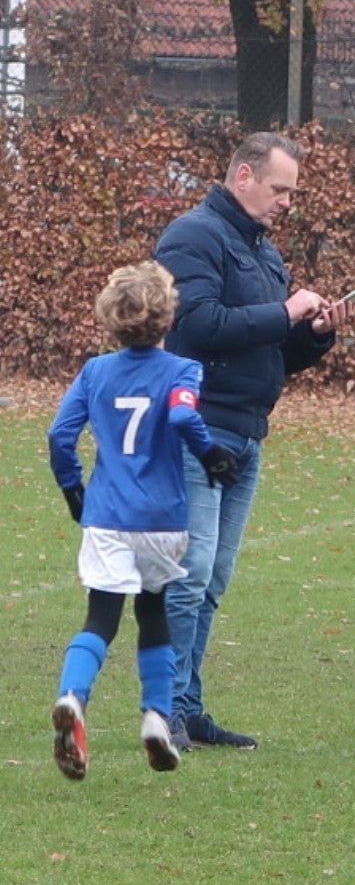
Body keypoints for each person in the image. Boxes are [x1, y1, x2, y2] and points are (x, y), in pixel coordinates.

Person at [156, 132, 347, 752]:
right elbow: (199, 325)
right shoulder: (192, 236)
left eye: (292, 191)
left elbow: (269, 350)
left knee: (213, 580)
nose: (287, 201)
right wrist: (286, 311)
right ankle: (164, 711)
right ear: (244, 177)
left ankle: (188, 708)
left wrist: (314, 333)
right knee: (189, 576)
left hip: (245, 431)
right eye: (279, 188)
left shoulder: (263, 251)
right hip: (196, 427)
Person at [46, 262, 241, 780]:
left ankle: (72, 696)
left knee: (100, 618)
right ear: (168, 317)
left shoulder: (95, 372)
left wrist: (74, 490)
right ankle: (156, 716)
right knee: (153, 614)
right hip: (161, 520)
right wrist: (209, 452)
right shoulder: (182, 370)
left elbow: (60, 436)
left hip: (108, 516)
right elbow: (182, 416)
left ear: (109, 318)